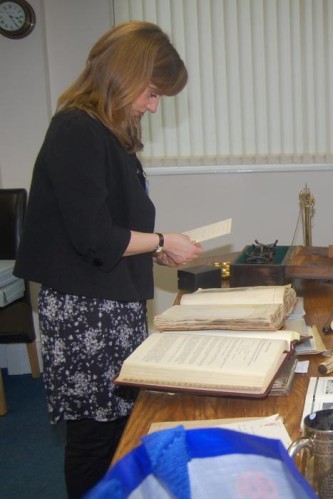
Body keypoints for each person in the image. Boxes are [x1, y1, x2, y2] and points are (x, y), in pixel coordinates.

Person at [13, 22, 203, 498]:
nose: (153, 106)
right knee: (96, 439)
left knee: (120, 426)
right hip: (85, 314)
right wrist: (161, 241)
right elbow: (95, 237)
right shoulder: (76, 128)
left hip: (107, 306)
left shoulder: (106, 133)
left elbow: (110, 227)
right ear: (126, 74)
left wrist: (157, 248)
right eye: (153, 93)